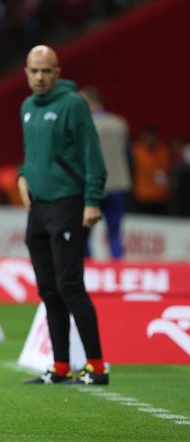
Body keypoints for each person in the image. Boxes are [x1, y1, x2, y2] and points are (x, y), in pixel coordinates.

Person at [17, 45, 109, 385]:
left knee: (70, 286)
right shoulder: (27, 106)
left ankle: (97, 367)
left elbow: (92, 156)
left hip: (69, 203)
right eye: (33, 71)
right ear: (26, 73)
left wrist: (93, 200)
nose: (39, 77)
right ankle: (60, 366)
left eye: (46, 71)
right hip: (38, 208)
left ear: (57, 73)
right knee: (48, 290)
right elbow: (32, 154)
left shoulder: (73, 104)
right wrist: (22, 175)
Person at [79, 86, 130, 259]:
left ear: (90, 102)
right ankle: (117, 268)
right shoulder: (119, 123)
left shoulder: (82, 126)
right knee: (115, 233)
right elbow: (127, 155)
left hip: (91, 187)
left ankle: (88, 271)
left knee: (84, 235)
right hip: (117, 184)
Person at [130, 125, 172, 215]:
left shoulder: (163, 151)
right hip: (142, 197)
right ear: (143, 137)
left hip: (162, 197)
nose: (151, 139)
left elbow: (169, 171)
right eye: (148, 136)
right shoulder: (136, 151)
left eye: (153, 136)